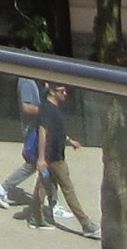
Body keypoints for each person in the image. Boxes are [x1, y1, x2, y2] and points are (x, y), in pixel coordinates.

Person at [32, 81, 94, 237]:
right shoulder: (47, 110)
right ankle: (85, 224)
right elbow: (43, 133)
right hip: (53, 158)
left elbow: (56, 130)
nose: (65, 94)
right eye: (62, 91)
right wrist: (41, 158)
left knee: (44, 187)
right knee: (68, 190)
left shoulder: (54, 109)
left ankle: (35, 217)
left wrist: (69, 140)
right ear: (53, 92)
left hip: (55, 155)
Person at [0, 76, 42, 211]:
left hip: (36, 127)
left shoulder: (32, 80)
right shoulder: (27, 81)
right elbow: (26, 107)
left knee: (42, 164)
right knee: (36, 163)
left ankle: (4, 188)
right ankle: (3, 187)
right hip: (33, 129)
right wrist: (47, 111)